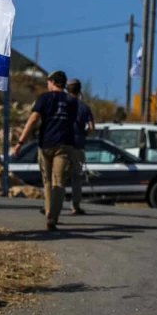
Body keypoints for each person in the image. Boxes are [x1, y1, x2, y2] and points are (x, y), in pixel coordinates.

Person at [14, 70, 78, 231]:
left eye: (48, 82)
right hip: (65, 145)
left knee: (48, 181)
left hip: (46, 144)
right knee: (59, 182)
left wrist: (20, 141)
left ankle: (49, 213)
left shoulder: (45, 97)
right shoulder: (72, 101)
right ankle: (53, 217)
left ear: (52, 82)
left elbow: (33, 118)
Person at [66, 78, 95, 216]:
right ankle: (75, 206)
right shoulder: (84, 107)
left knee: (59, 176)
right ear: (79, 90)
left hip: (63, 144)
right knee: (76, 177)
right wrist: (83, 134)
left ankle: (53, 205)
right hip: (78, 145)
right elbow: (91, 127)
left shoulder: (63, 104)